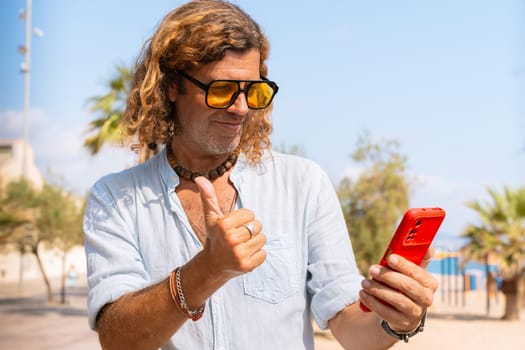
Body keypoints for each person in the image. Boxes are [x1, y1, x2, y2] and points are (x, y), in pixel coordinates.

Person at [83, 1, 438, 349]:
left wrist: (395, 319)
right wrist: (206, 271)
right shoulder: (115, 199)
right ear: (173, 86)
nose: (241, 108)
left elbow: (353, 331)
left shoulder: (303, 184)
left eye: (252, 91)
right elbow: (117, 339)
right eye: (221, 90)